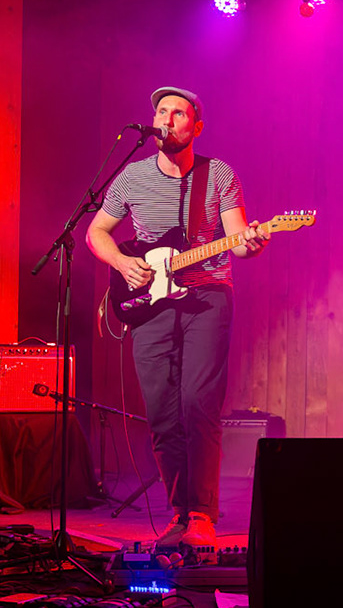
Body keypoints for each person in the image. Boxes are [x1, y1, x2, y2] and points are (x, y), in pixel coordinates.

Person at [88, 87, 270, 547]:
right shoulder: (131, 177)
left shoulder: (219, 174)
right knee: (163, 414)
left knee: (197, 406)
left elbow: (237, 239)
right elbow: (97, 232)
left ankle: (203, 515)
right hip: (149, 301)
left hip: (207, 298)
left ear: (196, 126)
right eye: (161, 112)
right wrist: (123, 263)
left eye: (178, 113)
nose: (167, 118)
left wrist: (251, 241)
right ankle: (179, 512)